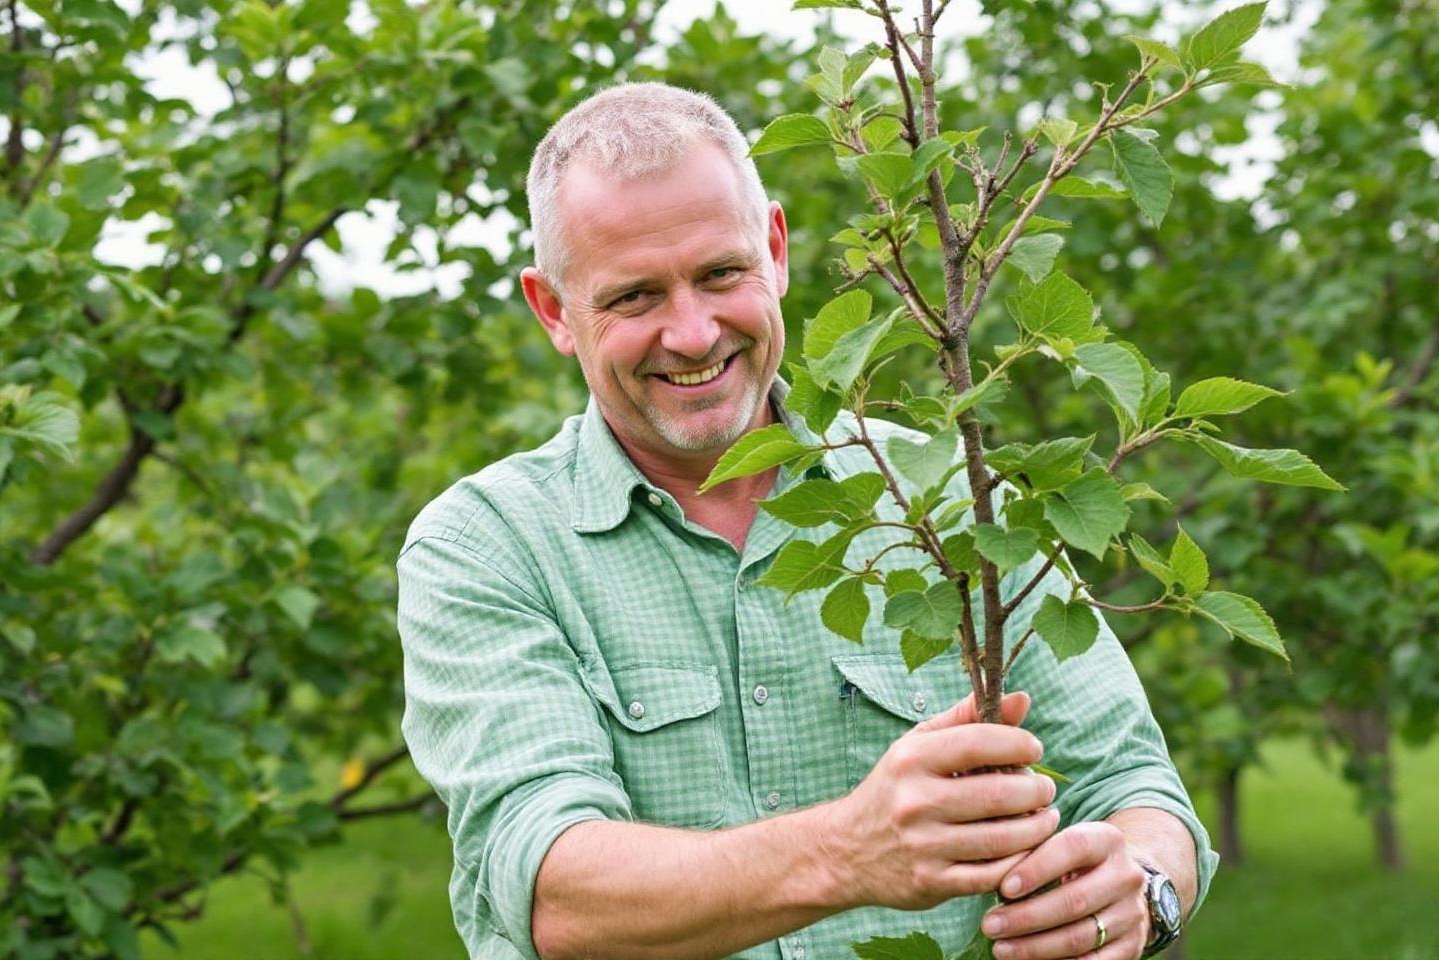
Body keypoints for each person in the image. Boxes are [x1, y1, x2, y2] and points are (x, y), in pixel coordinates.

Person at [396, 82, 1216, 960]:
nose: (693, 331)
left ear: (776, 251)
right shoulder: (486, 547)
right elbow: (548, 892)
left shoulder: (950, 492)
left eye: (720, 274)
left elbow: (1134, 783)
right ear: (554, 310)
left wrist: (1140, 892)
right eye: (634, 297)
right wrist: (844, 852)